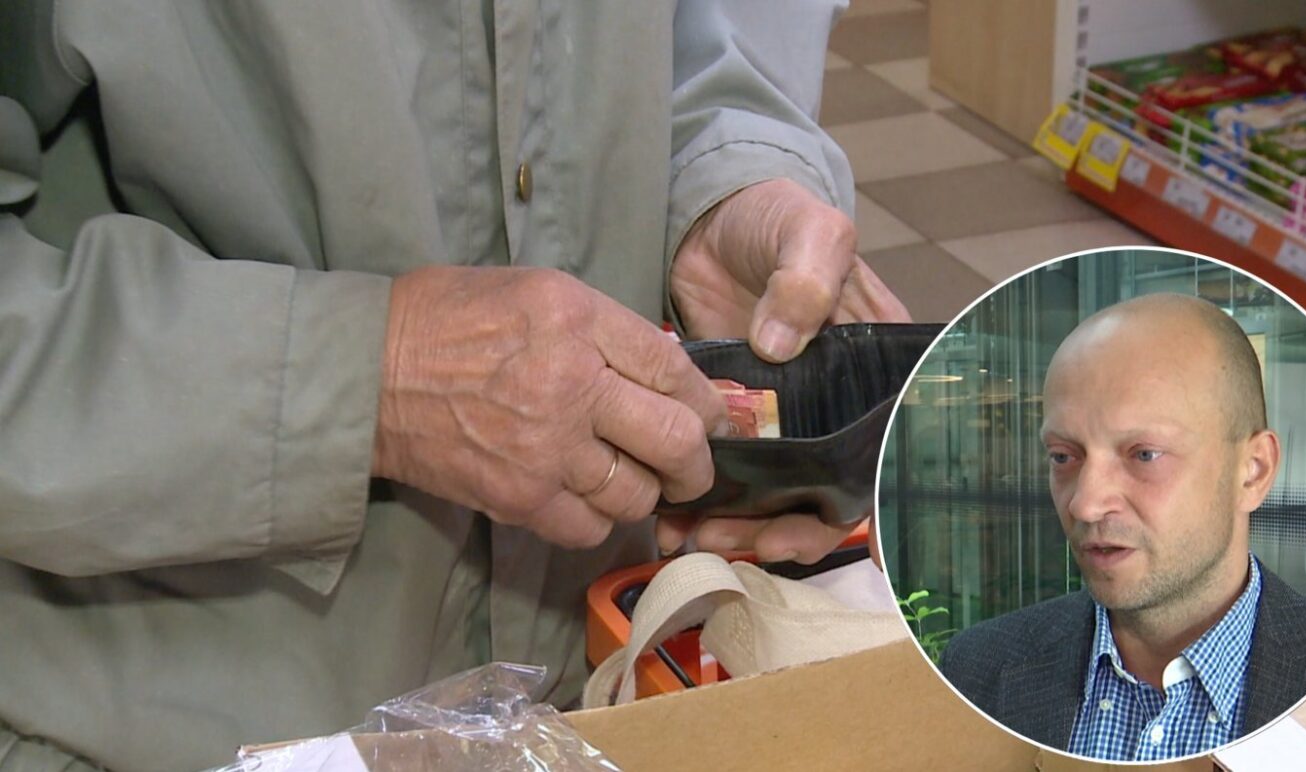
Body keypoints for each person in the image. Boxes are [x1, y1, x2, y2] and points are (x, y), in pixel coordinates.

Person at [0, 2, 910, 769]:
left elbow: (670, 44)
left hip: (591, 687)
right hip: (173, 721)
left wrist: (712, 188)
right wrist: (377, 377)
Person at [938, 293, 1306, 762]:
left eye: (1145, 455)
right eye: (1063, 456)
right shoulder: (977, 670)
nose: (1085, 504)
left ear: (1253, 472)